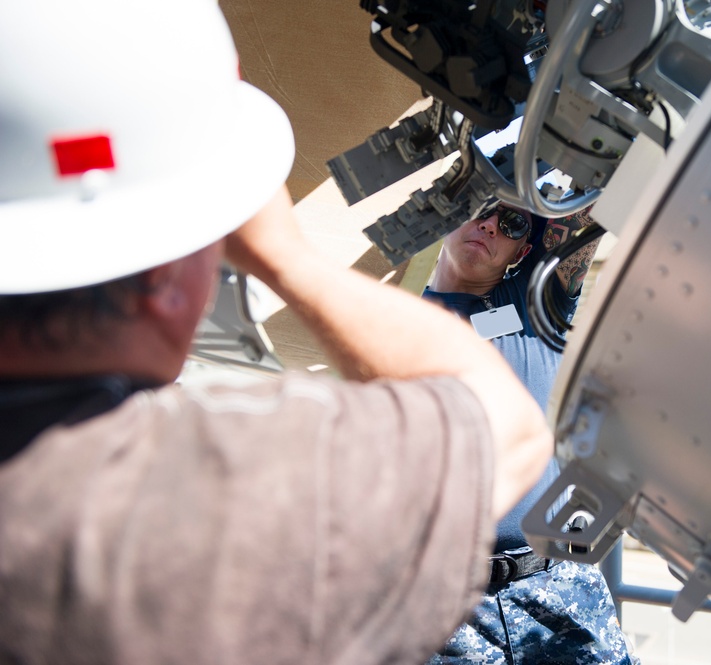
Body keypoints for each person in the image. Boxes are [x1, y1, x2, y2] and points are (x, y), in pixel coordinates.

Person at [0, 1, 552, 663]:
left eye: (511, 226)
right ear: (180, 274)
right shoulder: (239, 483)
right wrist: (285, 255)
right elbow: (504, 431)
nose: (492, 228)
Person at [422, 202, 638, 664]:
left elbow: (590, 202)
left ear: (523, 248)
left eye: (511, 223)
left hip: (560, 587)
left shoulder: (536, 300)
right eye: (477, 206)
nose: (488, 224)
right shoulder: (386, 327)